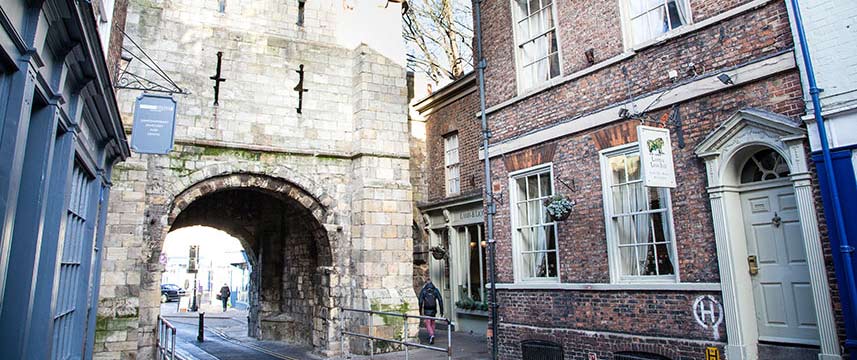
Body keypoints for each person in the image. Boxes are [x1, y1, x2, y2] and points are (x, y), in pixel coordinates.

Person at [418, 280, 443, 344]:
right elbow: (440, 300)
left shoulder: (423, 290)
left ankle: (431, 335)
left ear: (426, 283)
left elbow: (420, 301)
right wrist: (441, 310)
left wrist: (420, 311)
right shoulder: (435, 290)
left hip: (427, 309)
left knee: (428, 323)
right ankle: (432, 335)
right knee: (433, 322)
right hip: (433, 308)